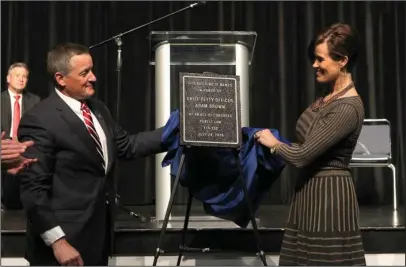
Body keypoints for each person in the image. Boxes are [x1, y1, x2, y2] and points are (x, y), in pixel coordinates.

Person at [17, 43, 167, 266]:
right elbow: (33, 191)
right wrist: (58, 243)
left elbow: (126, 145)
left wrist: (177, 130)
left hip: (97, 239)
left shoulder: (98, 109)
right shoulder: (40, 120)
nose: (94, 77)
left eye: (92, 70)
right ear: (61, 79)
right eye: (84, 73)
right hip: (63, 247)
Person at [255, 23, 366, 265]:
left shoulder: (347, 107)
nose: (314, 65)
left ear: (342, 61)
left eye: (320, 59)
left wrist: (274, 144)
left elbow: (303, 155)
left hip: (330, 198)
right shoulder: (328, 98)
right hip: (310, 192)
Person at [1, 62, 41, 210]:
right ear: (8, 78)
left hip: (27, 145)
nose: (21, 79)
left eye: (25, 76)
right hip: (5, 145)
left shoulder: (35, 100)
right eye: (18, 75)